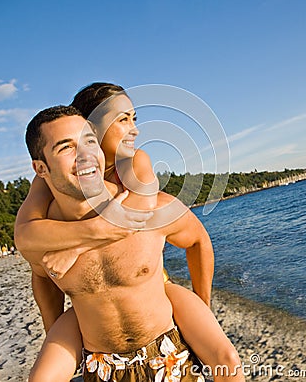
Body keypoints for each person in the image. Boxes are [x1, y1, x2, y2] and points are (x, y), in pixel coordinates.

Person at [16, 87, 244, 381]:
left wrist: (203, 305)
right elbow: (29, 247)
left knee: (228, 360)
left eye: (86, 141)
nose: (134, 130)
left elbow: (193, 237)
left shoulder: (141, 179)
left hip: (165, 343)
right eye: (66, 147)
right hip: (101, 362)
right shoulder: (46, 226)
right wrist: (53, 329)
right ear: (41, 169)